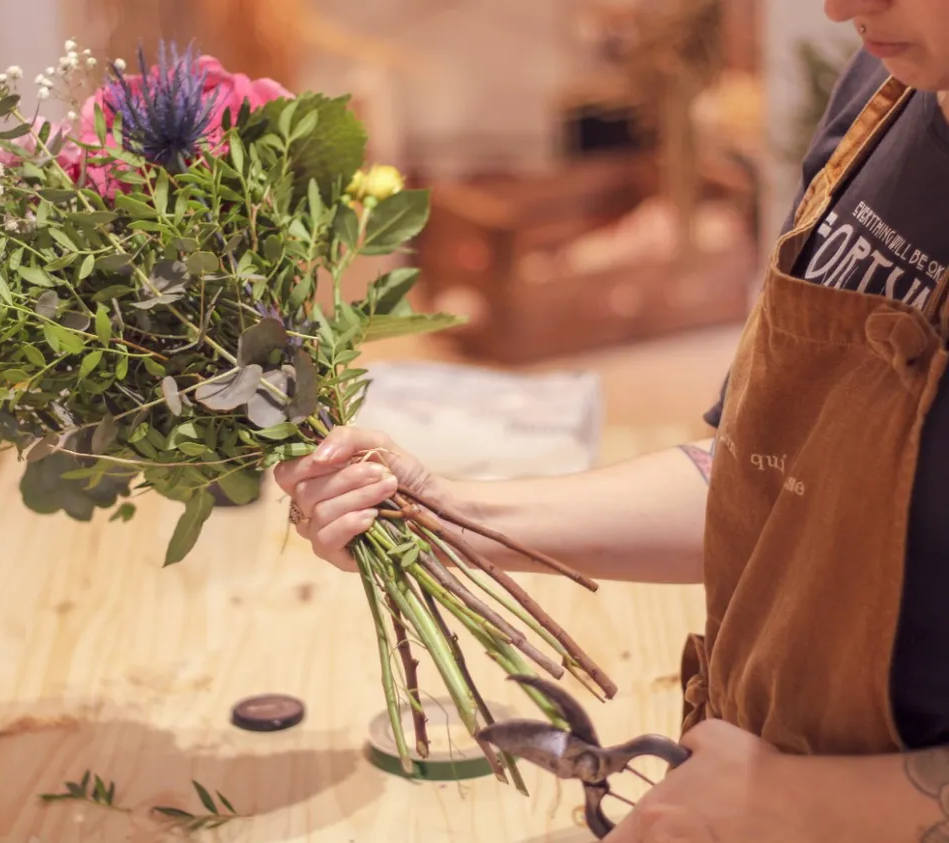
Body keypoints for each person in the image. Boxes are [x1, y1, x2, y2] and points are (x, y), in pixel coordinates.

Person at [275, 1, 949, 840]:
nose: (841, 5)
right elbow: (768, 482)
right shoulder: (887, 94)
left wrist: (810, 803)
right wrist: (448, 512)